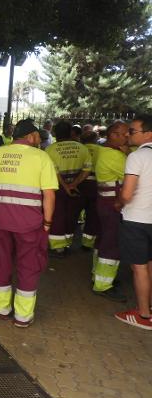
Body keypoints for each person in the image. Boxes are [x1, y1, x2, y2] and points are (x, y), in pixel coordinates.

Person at [0, 119, 57, 328]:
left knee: (1, 262)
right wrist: (48, 222)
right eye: (38, 137)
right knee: (28, 267)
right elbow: (49, 195)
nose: (39, 141)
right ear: (32, 136)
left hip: (1, 221)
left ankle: (1, 309)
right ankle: (23, 316)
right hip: (30, 224)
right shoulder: (41, 157)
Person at [114, 114, 152, 330]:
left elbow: (127, 193)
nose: (128, 134)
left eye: (132, 131)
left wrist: (119, 204)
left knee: (139, 268)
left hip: (137, 219)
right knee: (150, 264)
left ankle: (143, 315)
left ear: (148, 133)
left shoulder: (137, 157)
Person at [92, 122, 129, 302]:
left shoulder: (103, 151)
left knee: (104, 239)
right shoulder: (115, 156)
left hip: (104, 202)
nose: (127, 138)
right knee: (112, 243)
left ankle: (97, 275)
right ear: (113, 135)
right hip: (113, 204)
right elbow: (133, 175)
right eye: (123, 134)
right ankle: (103, 284)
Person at [45, 121, 92, 255]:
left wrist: (65, 186)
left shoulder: (50, 149)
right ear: (71, 132)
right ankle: (68, 243)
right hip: (77, 188)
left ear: (55, 133)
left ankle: (57, 247)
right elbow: (87, 169)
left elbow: (53, 172)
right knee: (72, 215)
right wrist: (74, 184)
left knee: (57, 215)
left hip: (57, 188)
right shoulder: (82, 148)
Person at [79, 130, 101, 251]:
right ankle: (87, 243)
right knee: (92, 214)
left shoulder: (79, 149)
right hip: (95, 184)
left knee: (73, 212)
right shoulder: (100, 150)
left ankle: (67, 241)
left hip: (79, 183)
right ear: (95, 139)